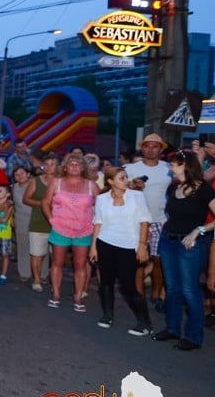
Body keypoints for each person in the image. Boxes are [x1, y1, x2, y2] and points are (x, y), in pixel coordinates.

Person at [152, 150, 215, 350]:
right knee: (172, 289)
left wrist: (199, 230)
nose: (170, 168)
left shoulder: (203, 189)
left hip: (189, 245)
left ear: (185, 165)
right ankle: (172, 329)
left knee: (189, 290)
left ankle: (194, 337)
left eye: (173, 164)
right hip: (168, 241)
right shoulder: (173, 189)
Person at [89, 167, 152, 334]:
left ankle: (145, 323)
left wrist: (142, 245)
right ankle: (107, 316)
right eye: (121, 178)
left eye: (125, 177)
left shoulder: (137, 196)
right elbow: (98, 223)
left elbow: (145, 222)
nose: (126, 181)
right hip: (105, 243)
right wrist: (93, 247)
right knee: (106, 282)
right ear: (110, 182)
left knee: (128, 285)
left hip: (129, 246)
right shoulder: (101, 198)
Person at [42, 152, 99, 312]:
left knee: (80, 265)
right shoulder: (56, 182)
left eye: (78, 164)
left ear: (83, 168)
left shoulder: (91, 185)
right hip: (60, 228)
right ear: (65, 167)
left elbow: (102, 206)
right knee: (57, 263)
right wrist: (51, 220)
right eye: (71, 164)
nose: (74, 166)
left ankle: (78, 297)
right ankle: (56, 294)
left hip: (84, 230)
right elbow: (45, 203)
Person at [125, 134, 171, 313]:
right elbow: (119, 188)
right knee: (139, 260)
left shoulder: (168, 168)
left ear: (161, 150)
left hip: (160, 220)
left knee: (159, 260)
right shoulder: (131, 168)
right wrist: (131, 186)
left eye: (154, 147)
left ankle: (157, 294)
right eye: (147, 146)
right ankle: (139, 296)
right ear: (142, 148)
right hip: (137, 221)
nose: (150, 150)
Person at [23, 152, 57, 291]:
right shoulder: (35, 181)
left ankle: (50, 278)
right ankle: (36, 279)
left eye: (52, 165)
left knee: (53, 255)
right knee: (36, 253)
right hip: (38, 221)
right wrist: (43, 204)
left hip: (57, 224)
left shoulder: (61, 182)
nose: (49, 168)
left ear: (58, 166)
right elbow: (26, 199)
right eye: (47, 165)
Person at [10, 165, 34, 282]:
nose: (19, 176)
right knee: (23, 247)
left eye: (22, 173)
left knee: (38, 247)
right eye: (16, 175)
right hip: (20, 219)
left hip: (36, 219)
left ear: (28, 174)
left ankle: (41, 274)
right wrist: (12, 217)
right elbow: (12, 204)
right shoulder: (14, 187)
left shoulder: (34, 185)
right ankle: (24, 272)